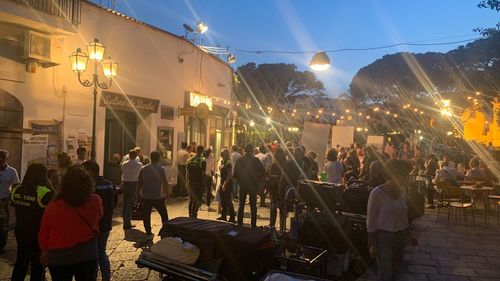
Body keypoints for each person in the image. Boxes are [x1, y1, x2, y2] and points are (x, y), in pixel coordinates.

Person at [39, 166, 103, 281]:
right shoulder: (95, 201)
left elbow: (44, 232)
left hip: (59, 256)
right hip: (86, 253)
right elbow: (98, 218)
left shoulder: (53, 206)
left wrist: (44, 250)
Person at [367, 159, 411, 281]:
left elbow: (403, 215)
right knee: (385, 274)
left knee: (396, 271)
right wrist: (373, 244)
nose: (407, 178)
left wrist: (409, 235)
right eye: (405, 175)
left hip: (400, 236)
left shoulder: (403, 191)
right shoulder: (376, 193)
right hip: (384, 237)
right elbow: (371, 221)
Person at [10, 163, 53, 281]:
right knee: (37, 265)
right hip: (37, 234)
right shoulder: (44, 192)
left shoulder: (17, 189)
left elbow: (14, 205)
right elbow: (54, 206)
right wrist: (50, 185)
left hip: (21, 232)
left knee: (20, 261)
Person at [82, 161, 114, 281]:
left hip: (92, 225)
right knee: (101, 252)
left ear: (89, 171)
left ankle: (93, 277)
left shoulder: (88, 186)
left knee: (92, 254)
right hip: (106, 223)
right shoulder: (110, 184)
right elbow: (114, 202)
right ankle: (106, 277)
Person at [138, 151, 169, 238]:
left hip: (146, 196)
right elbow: (165, 183)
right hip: (157, 196)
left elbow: (139, 183)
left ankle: (148, 232)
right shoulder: (161, 169)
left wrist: (138, 195)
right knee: (164, 214)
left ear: (150, 157)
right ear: (159, 158)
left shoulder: (143, 169)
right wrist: (167, 194)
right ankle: (165, 231)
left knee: (146, 215)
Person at [234, 143, 265, 228]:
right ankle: (253, 224)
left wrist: (241, 178)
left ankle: (239, 223)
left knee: (241, 204)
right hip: (253, 184)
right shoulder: (255, 160)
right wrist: (258, 180)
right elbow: (263, 172)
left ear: (244, 150)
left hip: (243, 184)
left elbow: (235, 174)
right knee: (253, 205)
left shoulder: (240, 160)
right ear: (252, 150)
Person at [280, 147, 310, 232]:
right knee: (298, 210)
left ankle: (283, 228)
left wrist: (281, 189)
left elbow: (283, 177)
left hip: (288, 188)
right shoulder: (303, 164)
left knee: (285, 210)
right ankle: (296, 229)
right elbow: (307, 177)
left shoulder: (288, 163)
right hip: (298, 189)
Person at [121, 149, 143, 230]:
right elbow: (140, 175)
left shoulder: (124, 164)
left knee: (125, 202)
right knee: (131, 203)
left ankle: (125, 220)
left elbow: (123, 172)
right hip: (134, 183)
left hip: (125, 183)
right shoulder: (139, 165)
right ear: (136, 156)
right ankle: (127, 221)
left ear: (129, 156)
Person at [0, 149, 20, 231]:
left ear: (6, 158)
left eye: (3, 157)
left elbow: (15, 186)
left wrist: (9, 199)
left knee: (4, 221)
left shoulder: (12, 171)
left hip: (5, 199)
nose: (0, 159)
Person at [186, 145, 206, 218]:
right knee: (197, 199)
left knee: (191, 199)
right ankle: (194, 214)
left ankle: (190, 214)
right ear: (202, 151)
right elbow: (203, 173)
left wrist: (186, 182)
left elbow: (187, 172)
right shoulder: (202, 160)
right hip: (198, 183)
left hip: (191, 182)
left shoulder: (190, 160)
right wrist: (204, 184)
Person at [216, 148, 235, 222]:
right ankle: (223, 216)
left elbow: (229, 175)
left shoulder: (228, 163)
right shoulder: (222, 161)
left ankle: (232, 217)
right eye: (221, 152)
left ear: (226, 154)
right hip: (222, 182)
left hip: (227, 183)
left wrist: (224, 184)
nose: (221, 154)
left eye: (222, 152)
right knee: (223, 200)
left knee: (228, 200)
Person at [269, 148, 286, 228]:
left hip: (274, 188)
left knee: (273, 207)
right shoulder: (286, 165)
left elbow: (271, 178)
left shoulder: (274, 165)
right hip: (283, 188)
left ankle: (272, 224)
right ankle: (282, 225)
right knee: (282, 207)